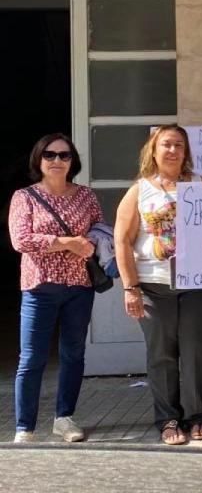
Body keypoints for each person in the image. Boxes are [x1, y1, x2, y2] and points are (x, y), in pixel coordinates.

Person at [113, 125, 202, 446]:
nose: (173, 151)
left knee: (197, 351)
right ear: (154, 151)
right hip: (154, 287)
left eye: (179, 145)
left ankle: (197, 415)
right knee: (161, 355)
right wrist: (130, 288)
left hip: (198, 286)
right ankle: (168, 419)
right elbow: (122, 240)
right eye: (166, 145)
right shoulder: (139, 190)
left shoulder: (201, 186)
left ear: (186, 152)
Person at [8, 134, 103, 443]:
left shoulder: (86, 195)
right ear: (39, 160)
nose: (57, 161)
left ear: (73, 161)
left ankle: (64, 418)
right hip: (39, 287)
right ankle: (25, 427)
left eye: (64, 156)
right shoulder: (24, 197)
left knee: (74, 353)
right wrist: (66, 242)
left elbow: (99, 232)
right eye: (50, 155)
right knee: (31, 357)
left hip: (79, 285)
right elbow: (21, 240)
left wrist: (88, 244)